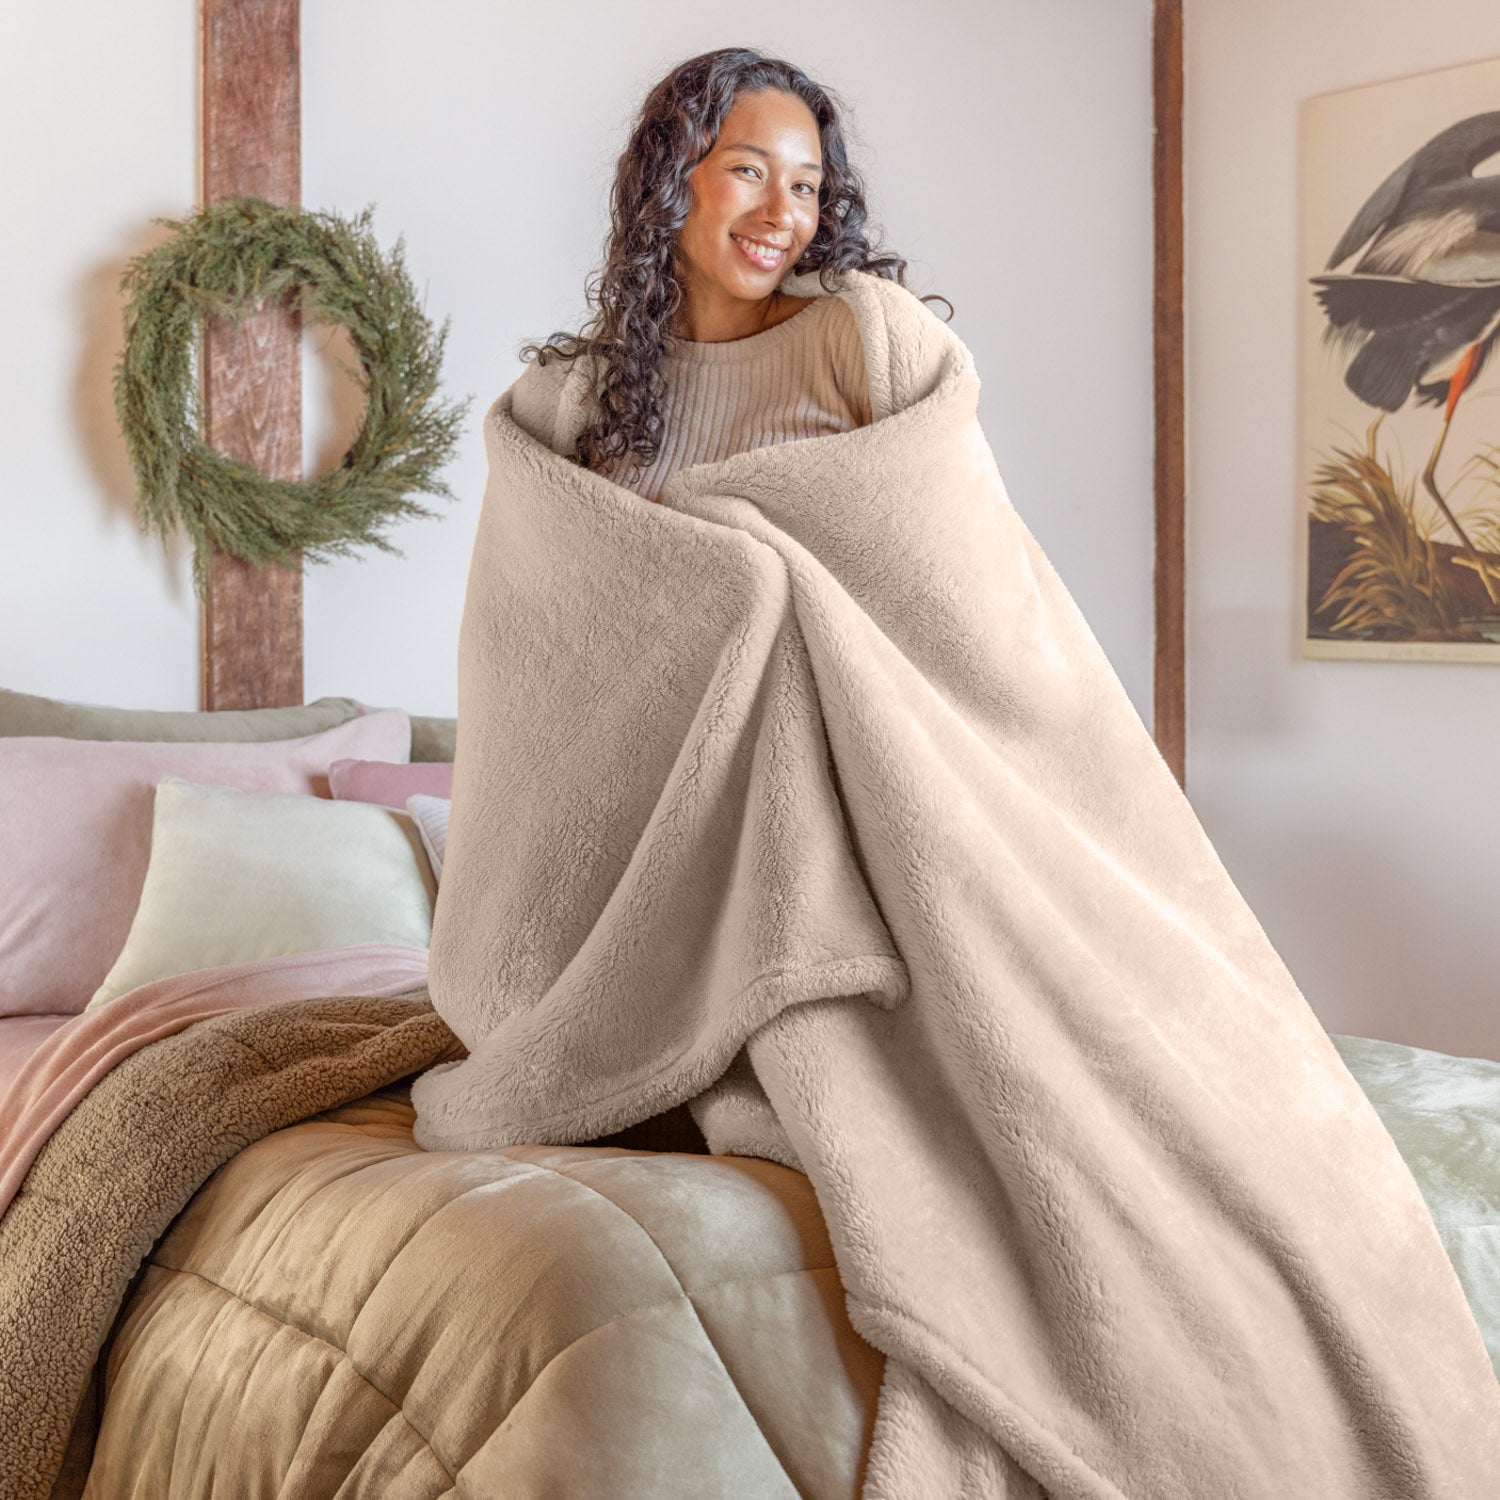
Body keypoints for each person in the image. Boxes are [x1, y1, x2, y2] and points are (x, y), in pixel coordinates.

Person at [509, 46, 953, 501]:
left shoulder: (864, 342)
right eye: (749, 170)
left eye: (803, 187)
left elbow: (960, 553)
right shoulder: (579, 390)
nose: (781, 215)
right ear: (668, 178)